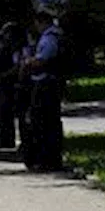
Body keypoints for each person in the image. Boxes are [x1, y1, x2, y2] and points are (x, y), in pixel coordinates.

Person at [22, 11, 65, 171]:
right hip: (49, 82)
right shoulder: (55, 35)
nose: (36, 27)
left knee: (43, 122)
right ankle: (47, 157)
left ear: (42, 22)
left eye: (37, 24)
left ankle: (48, 159)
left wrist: (28, 62)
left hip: (46, 83)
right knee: (47, 121)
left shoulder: (49, 38)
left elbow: (42, 60)